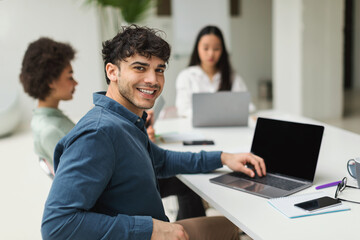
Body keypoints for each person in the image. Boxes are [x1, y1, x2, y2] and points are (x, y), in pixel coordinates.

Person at [41, 25, 266, 240]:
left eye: (159, 70)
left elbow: (162, 159)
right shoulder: (98, 134)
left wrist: (224, 157)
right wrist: (149, 230)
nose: (153, 80)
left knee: (230, 227)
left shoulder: (125, 120)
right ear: (112, 72)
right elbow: (57, 226)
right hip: (147, 235)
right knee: (241, 228)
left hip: (155, 228)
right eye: (140, 67)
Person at [20, 37, 205, 221]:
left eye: (159, 70)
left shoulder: (54, 119)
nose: (76, 83)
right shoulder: (60, 130)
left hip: (120, 188)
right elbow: (65, 211)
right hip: (119, 197)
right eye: (70, 76)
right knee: (187, 186)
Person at [19, 37, 77, 172]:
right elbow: (78, 178)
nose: (76, 83)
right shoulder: (49, 131)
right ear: (51, 81)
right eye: (70, 77)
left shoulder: (50, 119)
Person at [175, 25, 254, 118]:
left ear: (222, 50)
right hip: (196, 130)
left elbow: (248, 106)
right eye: (206, 48)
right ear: (197, 48)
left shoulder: (232, 77)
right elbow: (183, 110)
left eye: (216, 49)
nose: (211, 54)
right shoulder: (186, 76)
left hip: (227, 129)